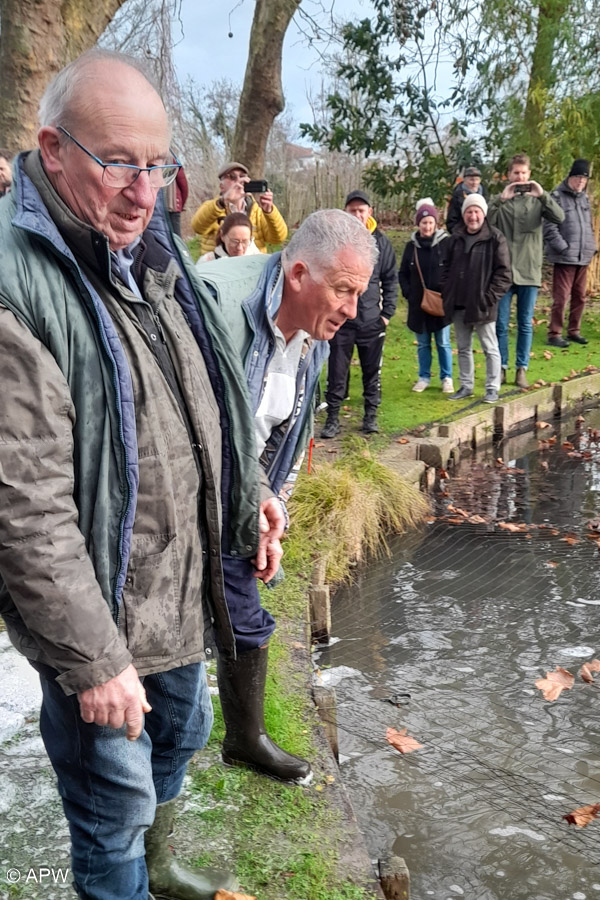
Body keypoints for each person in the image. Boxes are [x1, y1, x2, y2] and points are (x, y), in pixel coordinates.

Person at [0, 48, 287, 900]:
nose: (143, 187)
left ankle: (155, 867)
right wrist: (93, 663)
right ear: (52, 150)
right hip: (103, 626)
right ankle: (126, 875)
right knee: (111, 807)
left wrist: (252, 496)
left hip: (177, 597)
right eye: (119, 161)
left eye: (158, 165)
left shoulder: (150, 254)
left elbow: (202, 404)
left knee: (182, 735)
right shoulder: (17, 289)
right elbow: (24, 511)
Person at [195, 209, 377, 782]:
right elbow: (194, 433)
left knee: (241, 609)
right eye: (344, 291)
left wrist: (271, 503)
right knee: (230, 624)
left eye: (360, 293)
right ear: (298, 275)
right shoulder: (217, 306)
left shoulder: (313, 331)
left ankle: (240, 736)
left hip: (241, 490)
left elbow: (282, 431)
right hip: (189, 493)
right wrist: (247, 499)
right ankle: (235, 741)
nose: (352, 311)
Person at [321, 190, 397, 437]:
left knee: (372, 372)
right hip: (341, 321)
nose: (357, 215)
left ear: (369, 213)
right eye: (352, 211)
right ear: (346, 212)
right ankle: (332, 418)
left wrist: (386, 315)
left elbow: (390, 280)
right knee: (336, 373)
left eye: (361, 211)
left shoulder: (381, 243)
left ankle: (370, 416)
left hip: (371, 321)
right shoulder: (335, 242)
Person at [488, 153, 564, 388]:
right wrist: (501, 199)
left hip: (529, 272)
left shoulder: (538, 201)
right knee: (500, 324)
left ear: (529, 174)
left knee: (524, 323)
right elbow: (484, 223)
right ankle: (500, 368)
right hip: (504, 272)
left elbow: (560, 217)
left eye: (523, 173)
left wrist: (543, 195)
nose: (520, 177)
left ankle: (522, 368)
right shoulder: (500, 200)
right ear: (509, 175)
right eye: (515, 173)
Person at [441, 194, 512, 404]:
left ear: (483, 213)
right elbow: (444, 267)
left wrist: (488, 297)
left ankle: (492, 388)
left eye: (476, 211)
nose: (473, 216)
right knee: (463, 348)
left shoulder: (495, 238)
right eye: (469, 212)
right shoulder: (454, 238)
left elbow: (504, 274)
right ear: (464, 215)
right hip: (458, 303)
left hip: (482, 305)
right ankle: (466, 386)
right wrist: (447, 290)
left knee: (490, 348)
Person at [398, 199, 453, 393]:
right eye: (424, 222)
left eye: (430, 222)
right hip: (418, 305)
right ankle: (424, 377)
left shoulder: (446, 244)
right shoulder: (410, 247)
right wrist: (409, 293)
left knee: (443, 342)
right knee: (423, 344)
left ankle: (447, 377)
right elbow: (402, 273)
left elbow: (453, 271)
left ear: (436, 224)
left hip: (440, 303)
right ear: (418, 224)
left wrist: (448, 294)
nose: (427, 226)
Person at [543, 159, 597, 347]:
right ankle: (554, 333)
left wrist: (592, 246)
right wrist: (562, 247)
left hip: (584, 255)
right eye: (578, 178)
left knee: (580, 296)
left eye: (584, 179)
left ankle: (574, 331)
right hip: (565, 256)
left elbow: (587, 225)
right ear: (570, 177)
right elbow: (549, 226)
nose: (581, 182)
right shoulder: (556, 196)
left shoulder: (584, 198)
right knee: (561, 297)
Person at [191, 160, 287, 256]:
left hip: (251, 265)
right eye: (232, 177)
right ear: (222, 186)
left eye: (242, 176)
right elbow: (197, 227)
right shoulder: (213, 208)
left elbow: (278, 238)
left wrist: (269, 211)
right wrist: (223, 202)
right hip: (218, 265)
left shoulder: (258, 210)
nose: (238, 181)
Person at [196, 211, 260, 263]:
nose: (239, 248)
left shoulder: (259, 262)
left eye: (244, 242)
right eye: (234, 241)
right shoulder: (207, 262)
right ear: (222, 236)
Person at [446, 165, 489, 234]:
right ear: (464, 180)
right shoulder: (457, 197)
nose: (474, 183)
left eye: (477, 179)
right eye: (471, 180)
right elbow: (451, 222)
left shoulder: (485, 196)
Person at [164, 163, 188, 236]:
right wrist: (181, 205)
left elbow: (184, 187)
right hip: (174, 205)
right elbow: (184, 187)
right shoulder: (174, 162)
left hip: (160, 207)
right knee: (176, 237)